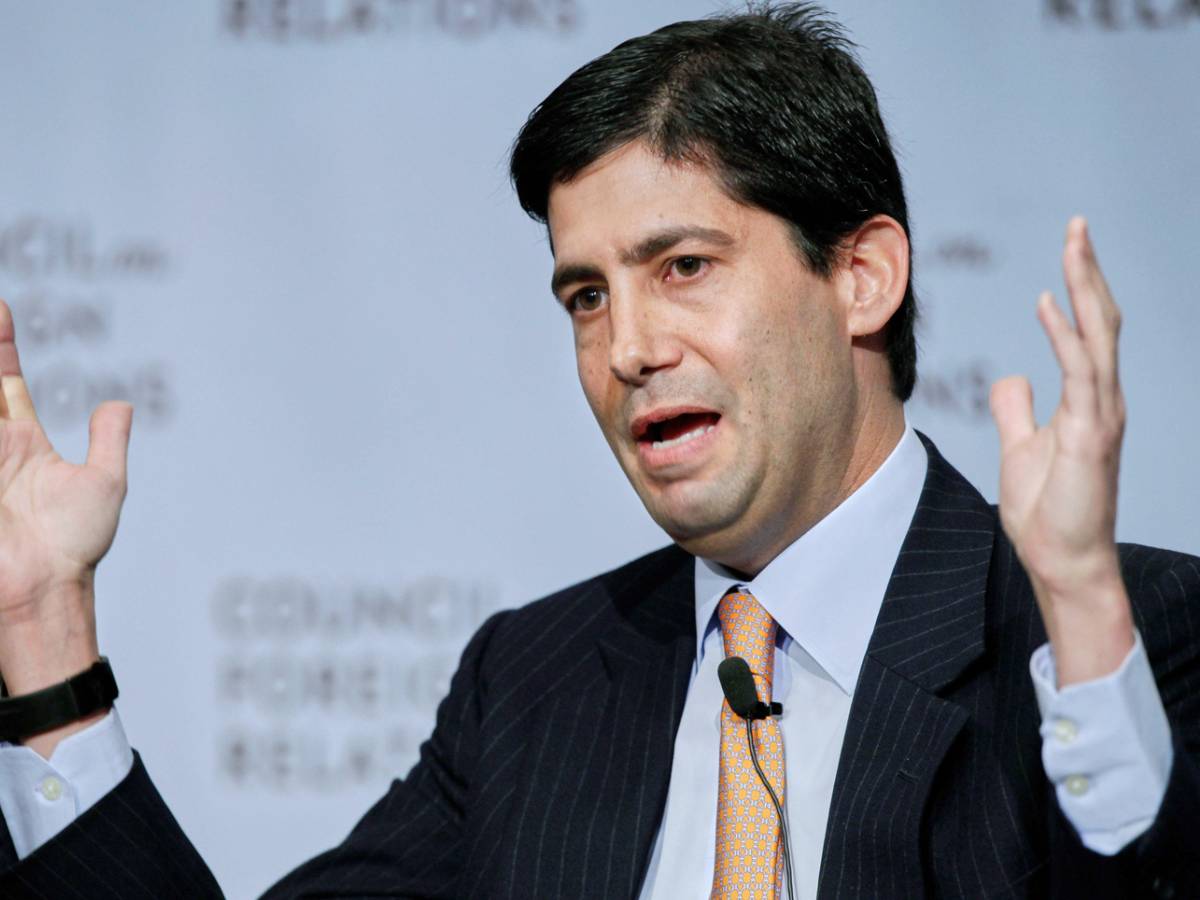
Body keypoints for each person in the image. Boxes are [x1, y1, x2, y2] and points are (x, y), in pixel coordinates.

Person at [0, 4, 1196, 898]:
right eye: (585, 296)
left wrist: (1085, 621)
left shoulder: (1122, 637)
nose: (627, 347)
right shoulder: (533, 682)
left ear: (862, 276)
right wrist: (49, 638)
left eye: (685, 267)